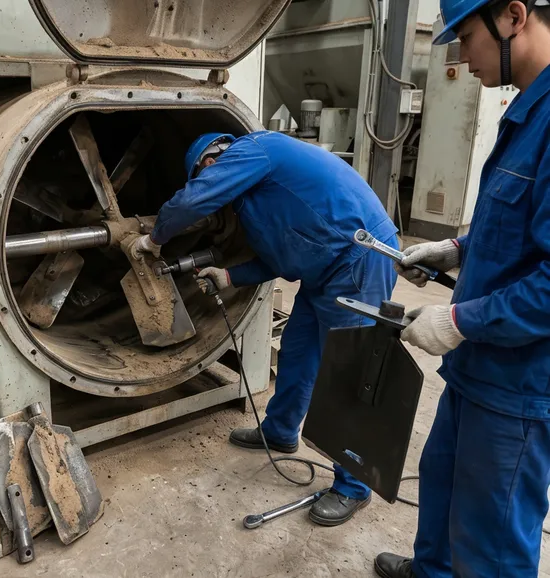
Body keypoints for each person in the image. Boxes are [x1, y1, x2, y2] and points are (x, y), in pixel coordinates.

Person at [132, 130, 398, 526]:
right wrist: (229, 275)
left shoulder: (255, 149)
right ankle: (280, 431)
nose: (211, 186)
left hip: (360, 259)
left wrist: (154, 239)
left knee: (348, 373)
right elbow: (282, 254)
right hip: (322, 269)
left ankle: (353, 487)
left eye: (206, 176)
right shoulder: (255, 199)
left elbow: (193, 200)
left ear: (210, 162)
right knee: (297, 352)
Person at [373, 1, 550, 577]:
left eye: (466, 37)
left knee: (491, 542)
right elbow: (514, 229)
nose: (461, 57)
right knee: (444, 486)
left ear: (514, 16)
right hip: (478, 370)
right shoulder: (527, 111)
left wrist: (458, 321)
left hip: (517, 385)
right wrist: (456, 250)